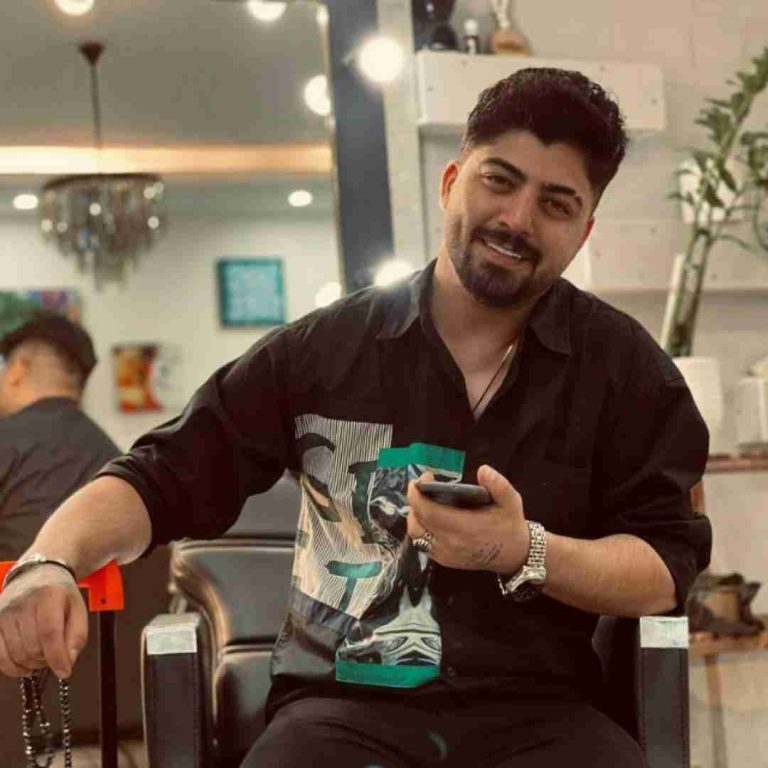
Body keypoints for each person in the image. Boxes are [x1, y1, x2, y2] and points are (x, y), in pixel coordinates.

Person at [0, 69, 711, 768]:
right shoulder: (323, 351)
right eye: (499, 180)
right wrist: (48, 561)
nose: (518, 219)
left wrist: (521, 549)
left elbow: (664, 567)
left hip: (543, 716)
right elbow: (160, 476)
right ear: (451, 182)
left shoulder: (625, 371)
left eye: (555, 204)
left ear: (583, 231)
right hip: (340, 714)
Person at [0, 312, 119, 560]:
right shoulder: (114, 456)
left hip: (15, 584)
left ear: (17, 370)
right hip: (97, 586)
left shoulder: (5, 441)